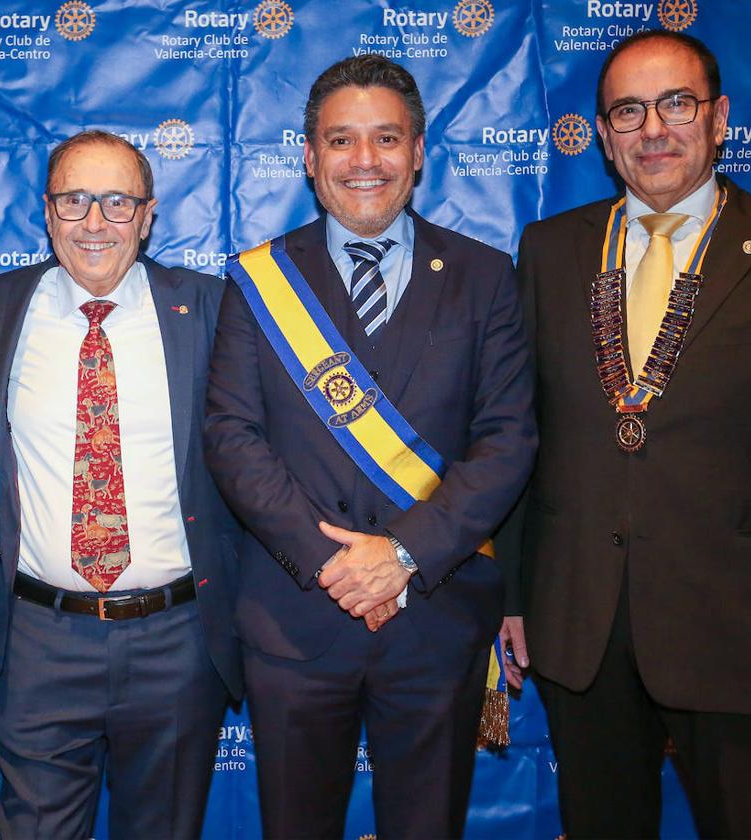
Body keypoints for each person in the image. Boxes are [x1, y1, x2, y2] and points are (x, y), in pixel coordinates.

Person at [497, 30, 751, 838]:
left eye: (676, 104)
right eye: (628, 111)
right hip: (580, 624)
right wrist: (516, 595)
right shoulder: (551, 252)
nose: (652, 129)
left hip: (740, 632)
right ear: (602, 134)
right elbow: (521, 433)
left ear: (721, 117)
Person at [205, 55, 536, 839]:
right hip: (296, 617)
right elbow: (232, 435)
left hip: (435, 616)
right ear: (310, 157)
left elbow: (506, 437)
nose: (364, 162)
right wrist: (332, 564)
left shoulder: (486, 278)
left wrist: (403, 555)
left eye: (386, 139)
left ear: (418, 152)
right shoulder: (258, 281)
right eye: (341, 141)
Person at [0, 130, 241, 839]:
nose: (95, 223)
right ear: (46, 210)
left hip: (176, 641)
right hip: (38, 640)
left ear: (148, 214)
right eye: (75, 200)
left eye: (117, 202)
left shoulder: (215, 310)